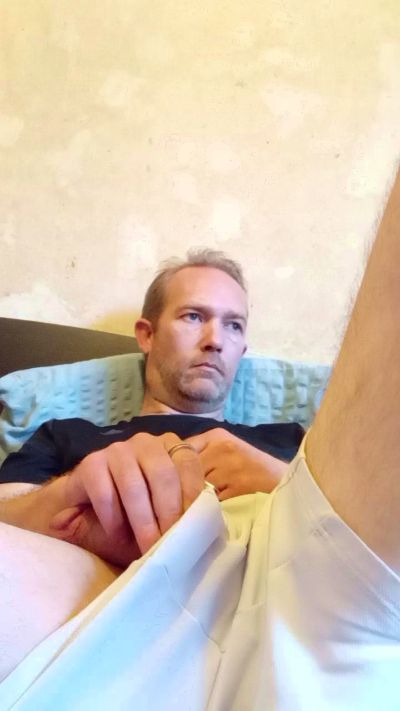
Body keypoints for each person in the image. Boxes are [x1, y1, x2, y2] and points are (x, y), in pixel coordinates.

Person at [1, 168, 400, 708]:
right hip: (112, 604)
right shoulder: (70, 435)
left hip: (306, 590)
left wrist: (280, 481)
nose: (216, 340)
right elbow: (7, 516)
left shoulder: (289, 438)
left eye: (234, 325)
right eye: (194, 316)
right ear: (146, 334)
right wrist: (70, 496)